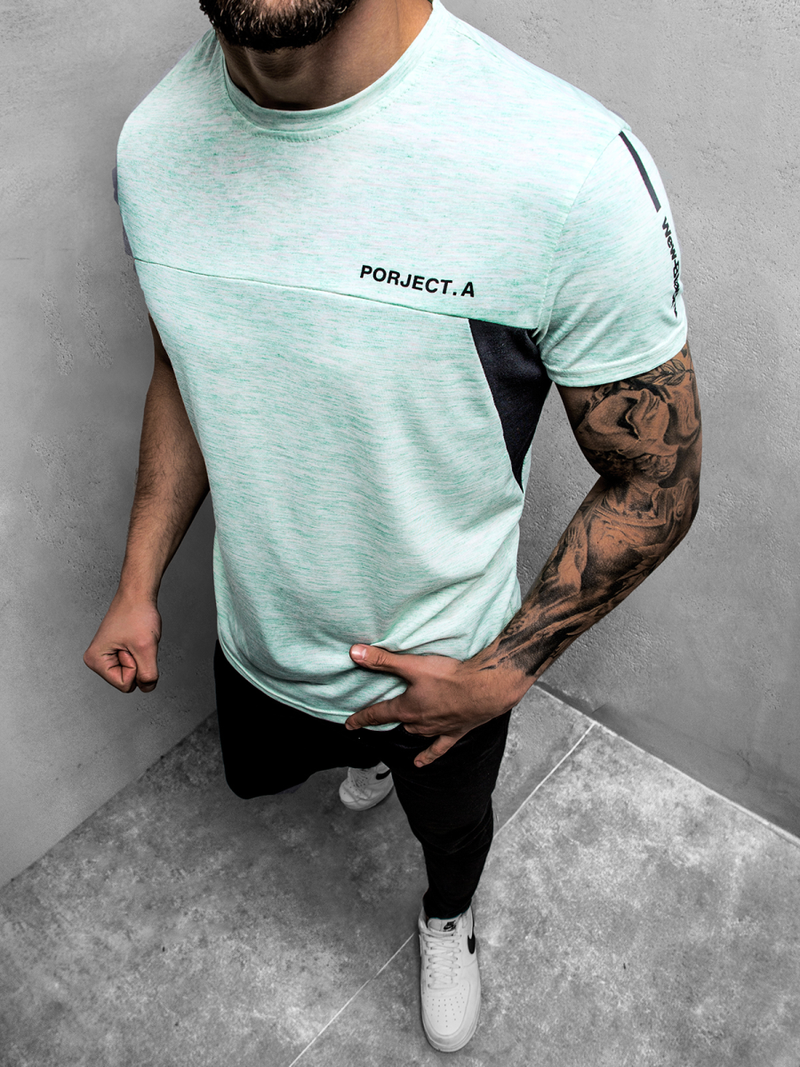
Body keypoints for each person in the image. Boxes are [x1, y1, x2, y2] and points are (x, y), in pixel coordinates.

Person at [84, 0, 702, 1052]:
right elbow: (187, 368)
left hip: (448, 662)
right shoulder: (153, 144)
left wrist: (500, 675)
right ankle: (357, 759)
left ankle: (448, 916)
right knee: (265, 773)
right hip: (260, 637)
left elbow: (657, 475)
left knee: (451, 833)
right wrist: (138, 580)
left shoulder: (568, 173)